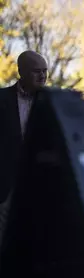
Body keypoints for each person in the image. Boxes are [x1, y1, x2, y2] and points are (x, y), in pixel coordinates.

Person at [0, 50, 48, 242]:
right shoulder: (1, 99)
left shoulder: (54, 102)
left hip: (41, 186)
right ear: (21, 72)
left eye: (45, 70)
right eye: (37, 71)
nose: (42, 76)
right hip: (5, 188)